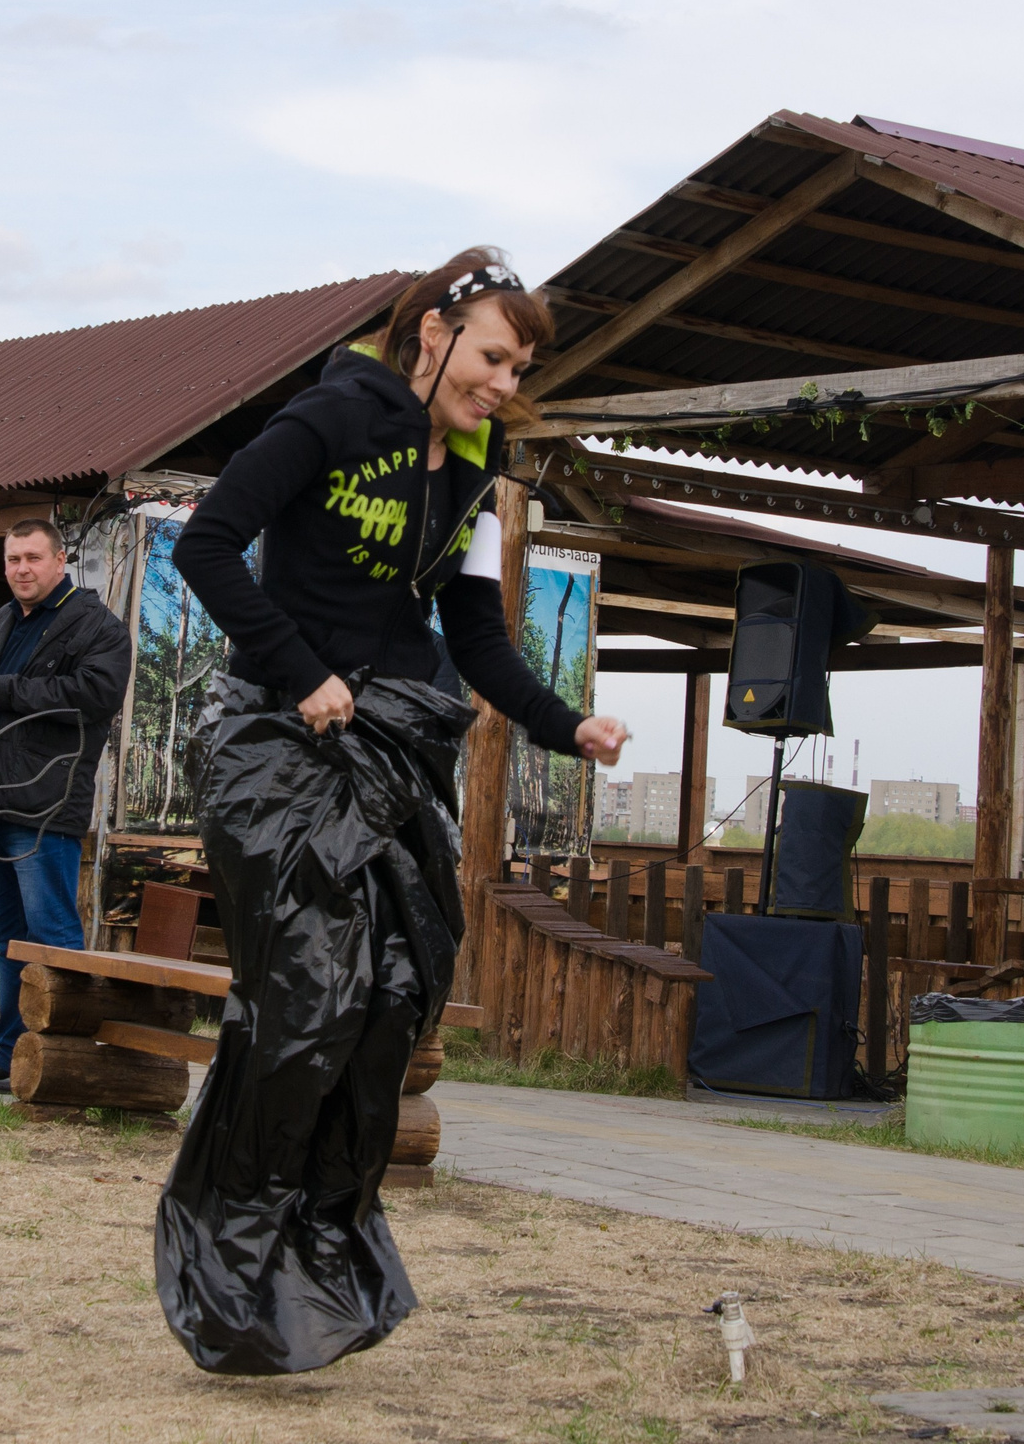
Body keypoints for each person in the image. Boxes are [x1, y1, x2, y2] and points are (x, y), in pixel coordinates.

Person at [158, 247, 632, 1376]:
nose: (504, 383)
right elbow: (208, 543)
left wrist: (569, 726)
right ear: (434, 333)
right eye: (494, 358)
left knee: (395, 993)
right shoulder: (329, 419)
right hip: (276, 744)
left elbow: (472, 636)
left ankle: (319, 1246)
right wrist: (299, 667)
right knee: (309, 997)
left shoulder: (476, 471)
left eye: (519, 369)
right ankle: (229, 1252)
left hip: (390, 745)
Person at [0, 523, 129, 1090]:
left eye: (32, 558)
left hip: (45, 802)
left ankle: (60, 1057)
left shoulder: (97, 625)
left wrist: (12, 689)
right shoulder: (2, 620)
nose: (22, 569)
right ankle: (10, 1052)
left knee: (48, 935)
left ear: (60, 560)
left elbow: (98, 696)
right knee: (4, 937)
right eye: (13, 559)